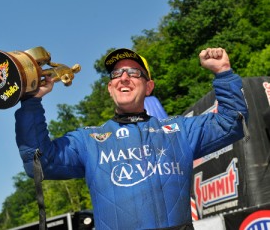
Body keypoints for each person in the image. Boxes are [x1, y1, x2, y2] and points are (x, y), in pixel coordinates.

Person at [15, 47, 248, 230]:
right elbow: (39, 161)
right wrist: (32, 102)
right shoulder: (88, 141)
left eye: (134, 73)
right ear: (110, 87)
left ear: (149, 87)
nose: (124, 77)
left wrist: (223, 72)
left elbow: (231, 123)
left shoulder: (179, 131)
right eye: (116, 74)